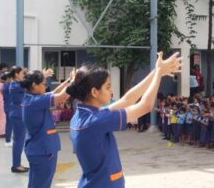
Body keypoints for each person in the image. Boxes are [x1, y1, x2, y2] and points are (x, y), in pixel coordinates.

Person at [69, 52, 181, 188]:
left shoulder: (83, 114)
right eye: (108, 86)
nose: (111, 90)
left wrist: (157, 72)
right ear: (94, 92)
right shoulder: (96, 120)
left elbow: (128, 100)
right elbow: (145, 106)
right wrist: (158, 74)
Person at [21, 68, 73, 188]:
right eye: (44, 84)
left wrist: (69, 80)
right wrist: (75, 80)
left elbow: (55, 93)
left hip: (37, 149)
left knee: (36, 183)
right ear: (34, 85)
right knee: (42, 184)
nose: (46, 86)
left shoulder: (31, 98)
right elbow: (62, 96)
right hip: (43, 150)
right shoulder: (36, 101)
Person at [9, 66, 29, 173]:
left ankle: (17, 164)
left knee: (19, 140)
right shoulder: (15, 85)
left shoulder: (16, 84)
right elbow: (28, 84)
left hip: (17, 113)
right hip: (17, 114)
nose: (23, 75)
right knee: (18, 141)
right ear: (16, 74)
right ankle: (16, 165)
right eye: (22, 73)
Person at [2, 71, 13, 147]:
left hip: (7, 106)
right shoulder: (8, 85)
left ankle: (8, 140)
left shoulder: (5, 85)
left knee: (9, 124)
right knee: (9, 124)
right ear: (8, 78)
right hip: (9, 107)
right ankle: (8, 141)